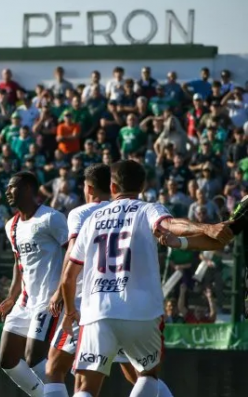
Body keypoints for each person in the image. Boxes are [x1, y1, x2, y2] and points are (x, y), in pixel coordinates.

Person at [60, 160, 232, 397]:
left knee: (85, 388)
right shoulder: (147, 209)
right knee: (147, 375)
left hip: (97, 312)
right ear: (142, 186)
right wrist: (207, 227)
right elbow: (171, 226)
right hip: (141, 311)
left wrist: (70, 312)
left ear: (112, 187)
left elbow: (69, 276)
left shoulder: (91, 220)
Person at [42, 164, 175, 397]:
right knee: (143, 375)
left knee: (59, 369)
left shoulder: (84, 213)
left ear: (90, 188)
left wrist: (60, 295)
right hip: (129, 302)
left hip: (89, 303)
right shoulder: (134, 209)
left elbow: (72, 254)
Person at [0, 171, 68, 397]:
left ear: (27, 189)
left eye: (12, 187)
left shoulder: (51, 218)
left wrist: (62, 292)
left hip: (48, 301)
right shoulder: (11, 225)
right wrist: (11, 297)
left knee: (34, 357)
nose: (7, 192)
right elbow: (19, 263)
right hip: (24, 303)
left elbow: (73, 255)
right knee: (6, 360)